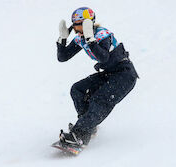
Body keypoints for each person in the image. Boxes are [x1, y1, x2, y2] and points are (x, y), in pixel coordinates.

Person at [56, 7, 139, 147]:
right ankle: (88, 127)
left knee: (99, 100)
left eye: (79, 25)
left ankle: (80, 133)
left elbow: (104, 57)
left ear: (88, 24)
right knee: (78, 89)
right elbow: (63, 57)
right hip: (108, 74)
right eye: (74, 25)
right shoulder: (81, 38)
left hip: (124, 75)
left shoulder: (102, 34)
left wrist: (90, 39)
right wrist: (62, 39)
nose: (77, 29)